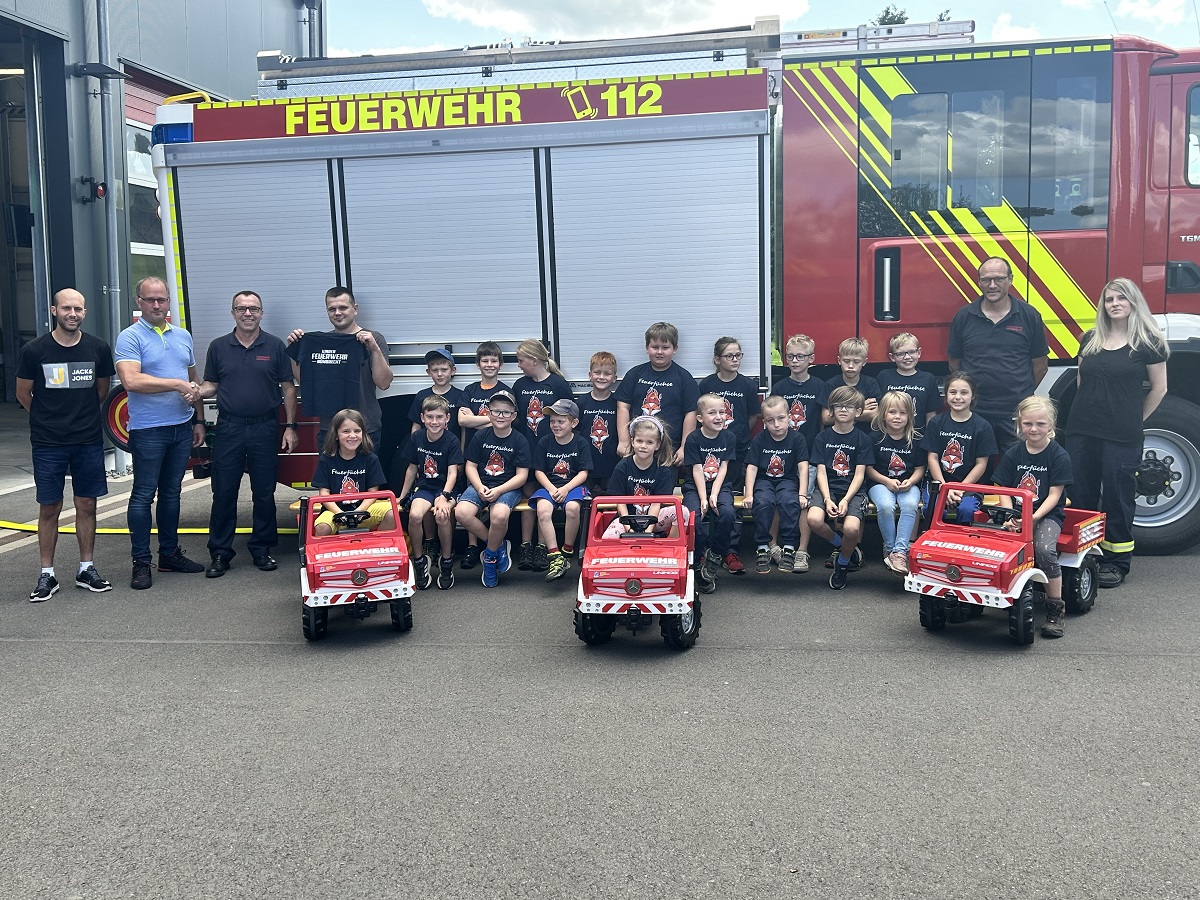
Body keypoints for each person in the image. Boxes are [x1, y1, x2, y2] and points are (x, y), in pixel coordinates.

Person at [1065, 278, 1168, 589]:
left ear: (1133, 302)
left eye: (1121, 298)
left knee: (1117, 496)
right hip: (1082, 430)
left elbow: (1160, 389)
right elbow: (1083, 382)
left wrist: (1134, 419)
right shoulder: (1090, 339)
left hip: (1122, 435)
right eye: (1109, 299)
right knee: (1080, 495)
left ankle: (1117, 561)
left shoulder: (1149, 343)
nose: (1115, 304)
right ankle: (1083, 554)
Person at [15, 288, 116, 600]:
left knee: (87, 505)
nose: (73, 314)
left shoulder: (98, 348)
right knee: (49, 508)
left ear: (84, 313)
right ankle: (47, 575)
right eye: (66, 308)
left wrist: (77, 418)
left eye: (78, 309)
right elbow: (23, 394)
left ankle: (86, 568)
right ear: (53, 311)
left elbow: (101, 391)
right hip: (48, 443)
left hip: (87, 440)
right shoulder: (34, 351)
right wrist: (49, 418)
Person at [114, 277, 208, 590]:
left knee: (171, 494)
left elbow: (193, 381)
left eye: (162, 300)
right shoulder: (129, 337)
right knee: (143, 495)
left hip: (182, 428)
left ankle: (169, 554)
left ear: (169, 302)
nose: (157, 305)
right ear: (139, 301)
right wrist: (177, 384)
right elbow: (131, 381)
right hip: (149, 430)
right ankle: (141, 563)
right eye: (151, 300)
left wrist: (198, 420)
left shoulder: (182, 336)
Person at [198, 290, 297, 578]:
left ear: (261, 313)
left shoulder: (275, 346)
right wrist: (194, 393)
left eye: (253, 308)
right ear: (233, 313)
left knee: (264, 492)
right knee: (224, 492)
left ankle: (262, 549)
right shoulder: (219, 347)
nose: (248, 314)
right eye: (241, 309)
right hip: (229, 428)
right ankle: (220, 553)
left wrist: (290, 427)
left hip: (265, 427)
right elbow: (210, 385)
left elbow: (288, 388)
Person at [948, 257, 1049, 451]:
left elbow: (1040, 366)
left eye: (999, 279)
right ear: (979, 282)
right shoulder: (964, 316)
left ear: (1010, 279)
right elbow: (955, 364)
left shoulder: (1029, 316)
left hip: (1014, 412)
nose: (992, 285)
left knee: (1015, 471)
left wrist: (1018, 393)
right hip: (974, 411)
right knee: (974, 471)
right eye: (986, 280)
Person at [995, 396, 1073, 638]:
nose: (1034, 429)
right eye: (1028, 424)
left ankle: (1054, 608)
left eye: (1040, 424)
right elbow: (1003, 488)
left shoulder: (1058, 456)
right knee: (991, 546)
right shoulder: (1013, 453)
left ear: (1051, 425)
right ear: (1020, 424)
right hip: (1016, 514)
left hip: (1047, 514)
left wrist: (1033, 517)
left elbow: (1054, 495)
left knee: (1044, 549)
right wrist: (1009, 515)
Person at [287, 286, 392, 451]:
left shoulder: (374, 339)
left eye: (343, 307)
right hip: (330, 428)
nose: (337, 312)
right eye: (332, 309)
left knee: (365, 477)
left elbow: (384, 383)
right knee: (330, 477)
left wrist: (374, 349)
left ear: (355, 309)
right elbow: (305, 382)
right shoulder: (322, 344)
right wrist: (295, 351)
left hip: (365, 427)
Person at [455, 390, 531, 588]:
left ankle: (489, 559)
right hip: (481, 484)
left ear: (513, 416)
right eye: (496, 412)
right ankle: (498, 547)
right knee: (461, 513)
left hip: (508, 488)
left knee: (498, 516)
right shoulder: (480, 436)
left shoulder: (520, 440)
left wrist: (498, 491)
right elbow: (470, 466)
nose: (500, 416)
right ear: (488, 414)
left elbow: (522, 476)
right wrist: (479, 486)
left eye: (506, 412)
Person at [512, 338, 574, 572]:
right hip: (526, 449)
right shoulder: (519, 385)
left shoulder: (558, 385)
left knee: (542, 495)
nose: (518, 365)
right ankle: (527, 545)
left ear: (534, 360)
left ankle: (541, 546)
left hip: (551, 451)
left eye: (521, 360)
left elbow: (568, 420)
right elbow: (515, 419)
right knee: (530, 495)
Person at [698, 336, 759, 575]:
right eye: (729, 356)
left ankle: (729, 550)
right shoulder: (706, 385)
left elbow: (752, 417)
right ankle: (704, 550)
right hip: (709, 453)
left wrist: (734, 436)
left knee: (731, 502)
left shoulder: (747, 385)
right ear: (717, 359)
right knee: (706, 502)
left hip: (738, 451)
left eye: (738, 355)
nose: (735, 360)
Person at [771, 333, 828, 571]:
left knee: (803, 500)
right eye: (790, 356)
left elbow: (824, 423)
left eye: (800, 356)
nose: (794, 361)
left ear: (811, 359)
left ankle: (802, 551)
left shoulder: (820, 386)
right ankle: (772, 546)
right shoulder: (780, 386)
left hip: (810, 454)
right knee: (776, 497)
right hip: (782, 453)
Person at [808, 386, 874, 590]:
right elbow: (820, 472)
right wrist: (827, 499)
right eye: (838, 406)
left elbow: (860, 474)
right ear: (831, 410)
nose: (843, 410)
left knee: (851, 529)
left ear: (858, 412)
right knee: (813, 520)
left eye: (849, 406)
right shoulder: (822, 437)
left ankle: (842, 565)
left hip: (853, 491)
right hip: (827, 488)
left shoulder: (863, 439)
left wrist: (845, 500)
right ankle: (842, 545)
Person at [397, 395, 463, 591]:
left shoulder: (451, 440)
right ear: (422, 418)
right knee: (415, 515)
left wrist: (445, 496)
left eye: (439, 417)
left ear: (447, 419)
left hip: (447, 488)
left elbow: (453, 473)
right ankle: (419, 562)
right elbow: (411, 468)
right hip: (425, 487)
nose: (434, 422)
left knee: (442, 515)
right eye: (430, 417)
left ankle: (446, 561)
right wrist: (402, 495)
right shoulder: (416, 437)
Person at [457, 340, 511, 571]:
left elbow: (508, 419)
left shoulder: (506, 391)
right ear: (478, 364)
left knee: (490, 502)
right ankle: (477, 547)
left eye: (493, 360)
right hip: (474, 455)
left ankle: (491, 546)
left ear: (500, 364)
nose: (489, 364)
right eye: (485, 360)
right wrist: (494, 419)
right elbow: (462, 420)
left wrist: (478, 420)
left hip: (499, 457)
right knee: (473, 502)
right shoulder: (470, 390)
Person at [742, 395, 808, 574]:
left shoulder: (797, 439)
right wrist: (749, 494)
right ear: (764, 421)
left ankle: (788, 547)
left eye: (781, 418)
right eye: (771, 420)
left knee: (789, 502)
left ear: (789, 416)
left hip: (787, 480)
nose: (776, 424)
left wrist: (802, 494)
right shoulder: (759, 439)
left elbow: (803, 468)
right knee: (762, 503)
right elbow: (752, 468)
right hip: (764, 481)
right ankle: (763, 547)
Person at [615, 321, 699, 463]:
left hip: (669, 450)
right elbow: (622, 406)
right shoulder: (635, 374)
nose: (660, 352)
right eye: (655, 347)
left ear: (675, 349)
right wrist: (624, 441)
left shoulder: (684, 378)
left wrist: (685, 446)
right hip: (636, 447)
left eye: (665, 347)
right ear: (647, 348)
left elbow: (691, 412)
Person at [531, 398, 593, 582]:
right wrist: (551, 489)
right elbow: (539, 471)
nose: (555, 425)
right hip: (549, 486)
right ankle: (555, 556)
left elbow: (583, 472)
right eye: (552, 421)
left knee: (573, 509)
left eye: (561, 421)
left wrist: (566, 489)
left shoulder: (581, 443)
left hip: (573, 486)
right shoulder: (544, 442)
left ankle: (567, 550)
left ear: (573, 423)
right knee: (542, 510)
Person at [922, 372, 997, 524]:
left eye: (964, 393)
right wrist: (945, 488)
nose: (958, 397)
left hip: (970, 486)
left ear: (973, 396)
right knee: (932, 508)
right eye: (953, 392)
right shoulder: (936, 422)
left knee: (967, 510)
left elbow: (981, 464)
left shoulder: (982, 426)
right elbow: (932, 458)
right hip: (938, 483)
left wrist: (959, 489)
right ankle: (935, 545)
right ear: (946, 395)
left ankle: (963, 544)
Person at [682, 394, 737, 594]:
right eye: (712, 412)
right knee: (693, 518)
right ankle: (697, 561)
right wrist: (704, 498)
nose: (718, 417)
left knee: (728, 514)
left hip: (720, 486)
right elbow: (697, 469)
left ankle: (715, 555)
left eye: (722, 412)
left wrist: (713, 495)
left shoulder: (729, 437)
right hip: (694, 487)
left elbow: (723, 468)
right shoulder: (693, 438)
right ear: (700, 418)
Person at [866, 391, 925, 576]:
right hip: (880, 483)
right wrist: (886, 481)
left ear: (910, 416)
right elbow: (868, 469)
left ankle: (900, 552)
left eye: (902, 413)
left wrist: (911, 481)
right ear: (883, 414)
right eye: (892, 412)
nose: (897, 417)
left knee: (909, 505)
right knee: (885, 506)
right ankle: (890, 548)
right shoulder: (875, 438)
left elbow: (920, 468)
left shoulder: (916, 439)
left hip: (908, 484)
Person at [311, 408, 394, 536]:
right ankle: (331, 555)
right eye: (346, 431)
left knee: (392, 513)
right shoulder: (326, 460)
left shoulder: (371, 459)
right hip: (335, 511)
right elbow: (324, 493)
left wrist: (359, 511)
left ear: (363, 433)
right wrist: (339, 513)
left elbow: (373, 492)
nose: (352, 435)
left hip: (364, 510)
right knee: (322, 527)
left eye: (357, 431)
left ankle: (374, 549)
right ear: (336, 435)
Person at [604, 416, 679, 535]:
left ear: (657, 445)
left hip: (654, 520)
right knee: (609, 536)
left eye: (649, 442)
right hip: (626, 519)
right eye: (639, 441)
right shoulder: (622, 466)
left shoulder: (663, 470)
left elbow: (656, 503)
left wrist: (648, 532)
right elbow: (620, 502)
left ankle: (670, 550)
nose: (643, 446)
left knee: (681, 512)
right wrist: (629, 529)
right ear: (632, 441)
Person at [877, 332, 941, 426]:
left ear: (919, 352)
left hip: (918, 436)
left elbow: (930, 414)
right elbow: (878, 411)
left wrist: (928, 439)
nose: (907, 357)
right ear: (892, 357)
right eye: (900, 354)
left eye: (911, 352)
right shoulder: (884, 377)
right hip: (890, 435)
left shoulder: (928, 379)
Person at [578, 350, 619, 495]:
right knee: (587, 508)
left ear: (614, 378)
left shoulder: (618, 404)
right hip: (586, 467)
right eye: (597, 372)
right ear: (590, 375)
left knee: (610, 505)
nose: (601, 377)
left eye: (607, 374)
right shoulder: (581, 403)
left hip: (612, 466)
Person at [824, 337, 880, 432]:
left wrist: (840, 413)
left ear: (864, 362)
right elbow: (826, 418)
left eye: (856, 361)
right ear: (839, 360)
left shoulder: (871, 383)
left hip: (864, 437)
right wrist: (860, 408)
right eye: (846, 361)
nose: (850, 366)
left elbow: (875, 415)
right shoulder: (831, 384)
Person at [408, 348, 463, 440]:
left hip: (452, 449)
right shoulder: (421, 396)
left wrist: (461, 450)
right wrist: (414, 447)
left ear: (453, 370)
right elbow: (416, 426)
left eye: (444, 370)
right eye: (435, 370)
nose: (439, 374)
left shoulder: (461, 396)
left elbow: (463, 429)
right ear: (428, 372)